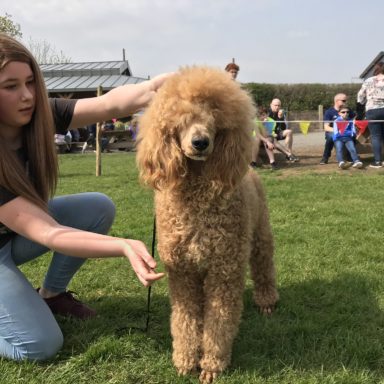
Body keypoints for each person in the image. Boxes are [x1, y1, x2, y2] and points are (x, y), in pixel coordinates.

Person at [0, 33, 171, 361]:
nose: (27, 96)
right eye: (11, 86)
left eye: (30, 82)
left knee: (96, 207)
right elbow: (50, 234)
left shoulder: (40, 114)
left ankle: (51, 295)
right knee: (39, 345)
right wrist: (122, 245)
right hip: (11, 241)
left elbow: (109, 104)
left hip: (11, 236)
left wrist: (155, 87)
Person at [357, 62, 384, 168]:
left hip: (372, 110)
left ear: (376, 69)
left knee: (376, 136)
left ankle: (377, 161)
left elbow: (360, 96)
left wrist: (361, 108)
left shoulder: (368, 81)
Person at [321, 93, 354, 164]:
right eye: (344, 101)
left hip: (346, 132)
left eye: (346, 100)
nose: (346, 102)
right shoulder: (329, 112)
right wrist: (338, 131)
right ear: (336, 101)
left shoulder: (348, 111)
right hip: (333, 131)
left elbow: (354, 120)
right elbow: (326, 127)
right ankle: (325, 157)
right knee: (330, 137)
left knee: (353, 135)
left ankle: (350, 156)